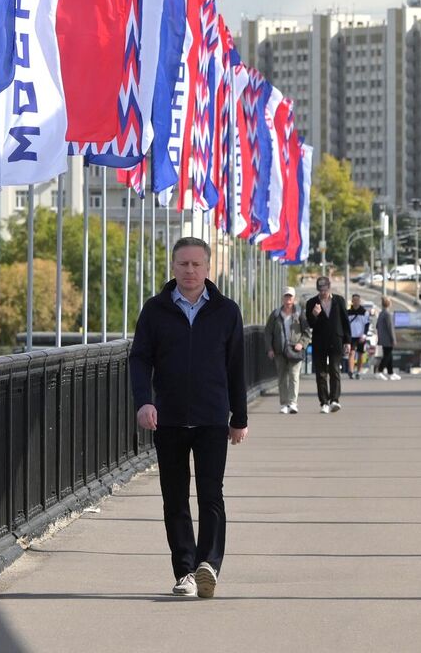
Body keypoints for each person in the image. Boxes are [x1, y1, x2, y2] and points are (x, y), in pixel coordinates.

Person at [130, 236, 249, 599]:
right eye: (183, 264)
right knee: (175, 498)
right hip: (168, 419)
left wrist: (239, 417)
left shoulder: (226, 311)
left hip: (213, 418)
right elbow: (139, 358)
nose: (190, 270)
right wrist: (144, 402)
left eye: (197, 264)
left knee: (212, 495)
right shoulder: (155, 309)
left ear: (208, 268)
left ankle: (208, 565)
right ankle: (184, 572)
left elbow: (236, 367)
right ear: (173, 266)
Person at [304, 275, 350, 412]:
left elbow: (345, 321)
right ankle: (324, 402)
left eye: (325, 289)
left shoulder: (339, 300)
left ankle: (334, 400)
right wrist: (314, 314)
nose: (323, 292)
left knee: (335, 370)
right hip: (319, 341)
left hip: (336, 340)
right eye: (320, 289)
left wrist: (347, 341)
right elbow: (310, 324)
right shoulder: (312, 303)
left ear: (329, 288)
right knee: (321, 373)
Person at [264, 289, 308, 413]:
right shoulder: (276, 314)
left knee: (294, 376)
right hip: (279, 351)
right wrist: (270, 349)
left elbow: (307, 331)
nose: (288, 299)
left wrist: (301, 343)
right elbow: (268, 332)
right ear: (283, 298)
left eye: (290, 297)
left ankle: (293, 403)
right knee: (282, 377)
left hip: (295, 350)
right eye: (286, 297)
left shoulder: (299, 313)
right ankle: (284, 404)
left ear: (294, 298)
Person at [346, 293, 371, 379]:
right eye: (354, 300)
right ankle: (351, 371)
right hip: (351, 336)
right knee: (351, 353)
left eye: (357, 300)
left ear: (359, 301)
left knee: (360, 354)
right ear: (352, 301)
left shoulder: (364, 312)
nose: (356, 302)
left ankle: (359, 372)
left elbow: (367, 324)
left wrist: (364, 334)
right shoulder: (348, 312)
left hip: (361, 336)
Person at [374, 296, 399, 380]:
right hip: (388, 339)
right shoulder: (388, 314)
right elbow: (390, 328)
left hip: (382, 338)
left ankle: (391, 372)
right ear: (389, 304)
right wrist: (393, 339)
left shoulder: (381, 313)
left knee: (389, 355)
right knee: (387, 356)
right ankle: (379, 371)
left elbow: (377, 326)